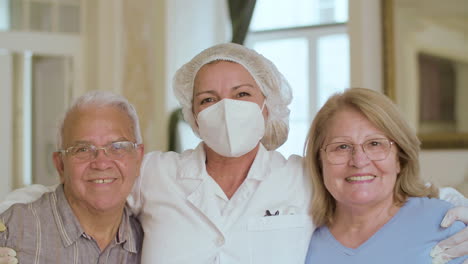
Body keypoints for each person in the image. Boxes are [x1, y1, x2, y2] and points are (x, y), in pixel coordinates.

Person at [0, 43, 467, 264]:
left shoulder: (303, 178)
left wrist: (454, 205)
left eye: (242, 94)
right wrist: (9, 210)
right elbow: (88, 179)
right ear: (192, 114)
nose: (225, 109)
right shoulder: (157, 174)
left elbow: (372, 186)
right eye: (207, 99)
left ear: (268, 106)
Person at [303, 88, 467, 263]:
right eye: (342, 146)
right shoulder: (302, 241)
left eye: (374, 144)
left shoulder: (446, 225)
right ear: (319, 162)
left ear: (400, 159)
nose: (359, 161)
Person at [0, 91, 144, 263]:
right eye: (83, 149)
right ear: (60, 165)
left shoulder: (150, 240)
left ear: (138, 158)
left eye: (118, 147)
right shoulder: (11, 230)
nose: (101, 163)